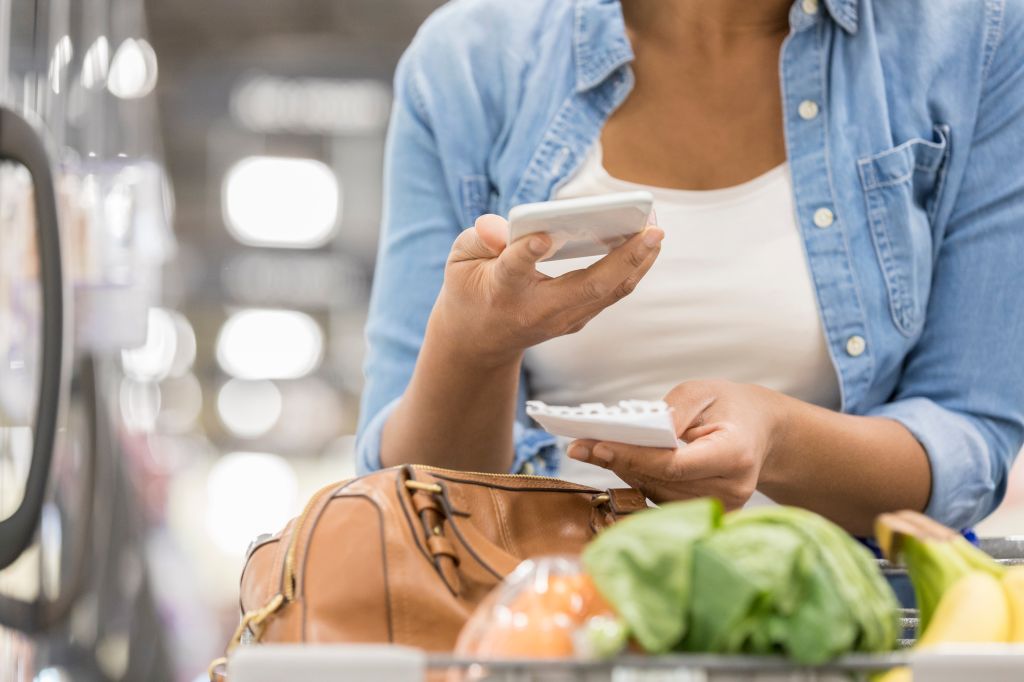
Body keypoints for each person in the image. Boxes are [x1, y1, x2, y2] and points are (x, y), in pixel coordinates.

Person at [356, 0, 1024, 535]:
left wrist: (778, 438)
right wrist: (475, 346)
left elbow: (972, 436)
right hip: (542, 622)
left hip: (853, 627)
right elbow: (409, 491)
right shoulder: (466, 64)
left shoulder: (978, 39)